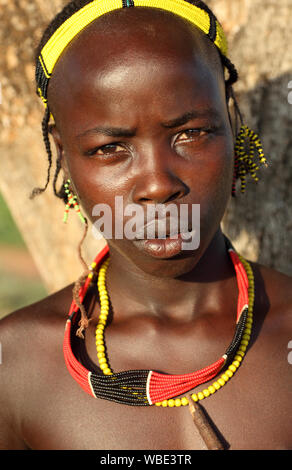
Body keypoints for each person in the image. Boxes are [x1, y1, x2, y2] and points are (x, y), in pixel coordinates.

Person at [0, 0, 291, 451]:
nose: (157, 185)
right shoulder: (15, 364)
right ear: (63, 156)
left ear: (232, 124)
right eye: (110, 147)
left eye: (190, 133)